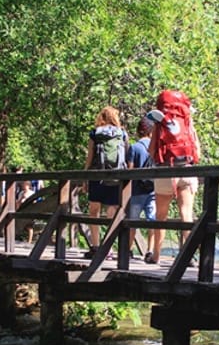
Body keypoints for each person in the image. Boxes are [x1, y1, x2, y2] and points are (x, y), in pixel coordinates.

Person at [147, 89, 202, 266]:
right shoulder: (187, 120)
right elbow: (197, 149)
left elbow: (152, 149)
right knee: (186, 214)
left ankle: (156, 255)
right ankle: (187, 256)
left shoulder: (160, 122)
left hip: (165, 171)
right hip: (187, 170)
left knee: (161, 216)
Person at [83, 106, 127, 258]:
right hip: (116, 176)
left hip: (97, 176)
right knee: (112, 212)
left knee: (94, 210)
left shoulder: (95, 133)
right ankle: (108, 248)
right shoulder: (122, 134)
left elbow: (89, 158)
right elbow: (126, 156)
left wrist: (85, 177)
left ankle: (95, 246)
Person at [126, 116, 157, 257]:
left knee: (133, 221)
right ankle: (150, 250)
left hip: (137, 190)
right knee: (153, 220)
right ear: (152, 131)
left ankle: (129, 249)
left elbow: (130, 170)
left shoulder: (134, 147)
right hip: (153, 189)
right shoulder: (156, 146)